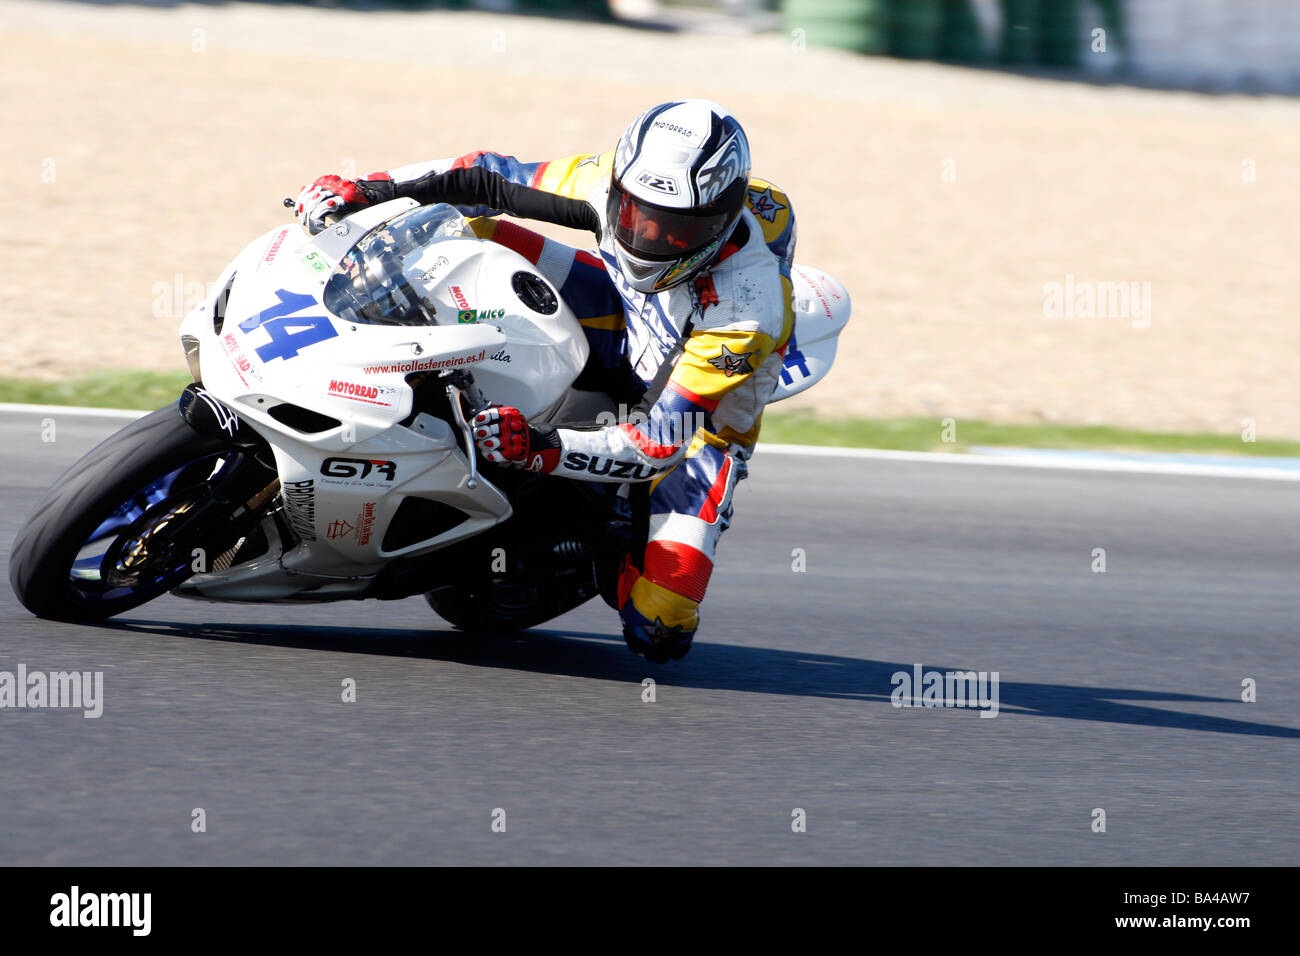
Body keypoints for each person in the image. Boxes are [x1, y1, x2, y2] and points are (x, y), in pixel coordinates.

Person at [294, 99, 796, 662]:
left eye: (678, 229)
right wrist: (368, 190)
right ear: (620, 184)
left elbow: (657, 444)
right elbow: (488, 174)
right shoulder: (604, 179)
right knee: (470, 231)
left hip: (694, 425)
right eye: (634, 213)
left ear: (722, 221)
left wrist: (540, 448)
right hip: (619, 318)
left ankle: (598, 535)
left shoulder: (747, 313)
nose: (649, 234)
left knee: (661, 624)